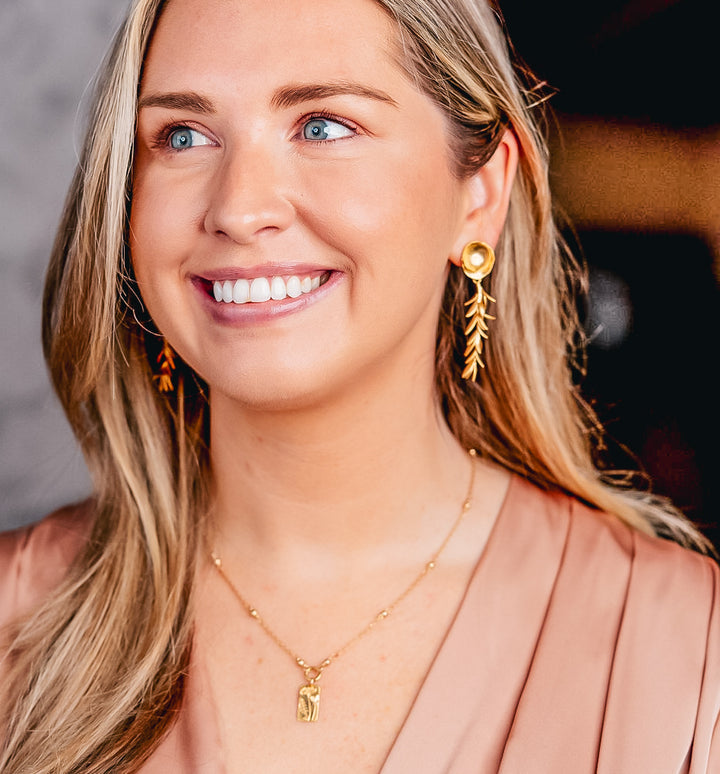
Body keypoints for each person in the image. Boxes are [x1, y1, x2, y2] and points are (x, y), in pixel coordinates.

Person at [1, 0, 718, 771]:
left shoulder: (685, 651)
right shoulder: (17, 619)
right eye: (183, 135)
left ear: (480, 193)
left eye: (323, 126)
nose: (240, 208)